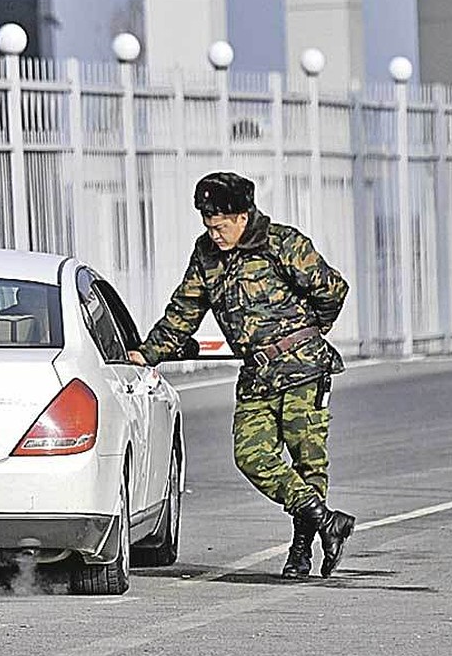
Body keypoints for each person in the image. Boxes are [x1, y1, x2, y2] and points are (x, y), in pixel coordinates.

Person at [127, 171, 354, 579]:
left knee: (309, 463)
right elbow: (185, 311)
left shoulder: (283, 243)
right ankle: (326, 520)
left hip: (303, 370)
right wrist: (148, 353)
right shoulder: (206, 255)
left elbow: (332, 290)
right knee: (250, 456)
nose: (214, 233)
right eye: (207, 225)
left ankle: (301, 551)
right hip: (257, 375)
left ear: (243, 216)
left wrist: (309, 331)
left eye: (220, 225)